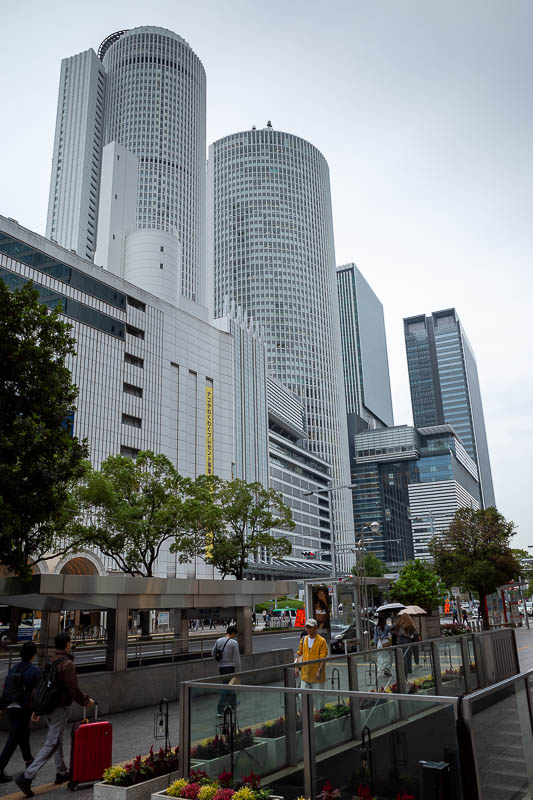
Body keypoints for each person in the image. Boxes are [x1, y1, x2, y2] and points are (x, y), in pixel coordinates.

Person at [15, 632, 94, 798]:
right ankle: (27, 776)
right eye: (70, 642)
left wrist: (36, 709)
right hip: (58, 708)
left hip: (47, 707)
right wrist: (86, 700)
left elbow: (42, 686)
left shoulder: (50, 661)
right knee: (52, 743)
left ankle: (61, 771)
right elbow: (73, 688)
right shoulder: (67, 664)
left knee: (57, 739)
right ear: (66, 644)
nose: (70, 644)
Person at [0, 642, 41, 783]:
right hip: (22, 708)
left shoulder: (14, 668)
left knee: (22, 733)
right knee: (13, 738)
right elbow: (36, 693)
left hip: (10, 708)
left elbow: (6, 689)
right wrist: (37, 710)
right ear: (33, 654)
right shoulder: (34, 671)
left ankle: (29, 760)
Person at [294, 619, 328, 706]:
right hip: (305, 673)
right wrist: (297, 667)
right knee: (302, 695)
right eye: (307, 627)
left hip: (316, 673)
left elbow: (323, 657)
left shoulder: (321, 641)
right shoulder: (304, 639)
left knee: (318, 698)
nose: (309, 629)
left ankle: (319, 715)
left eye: (311, 627)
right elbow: (300, 654)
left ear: (315, 628)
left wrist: (319, 670)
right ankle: (306, 715)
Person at [211, 625, 241, 716]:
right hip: (230, 667)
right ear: (232, 633)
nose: (235, 636)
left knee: (229, 686)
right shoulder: (234, 643)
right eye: (234, 634)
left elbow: (212, 653)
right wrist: (239, 671)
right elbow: (237, 658)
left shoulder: (219, 640)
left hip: (221, 667)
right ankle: (220, 709)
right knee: (227, 687)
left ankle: (233, 705)